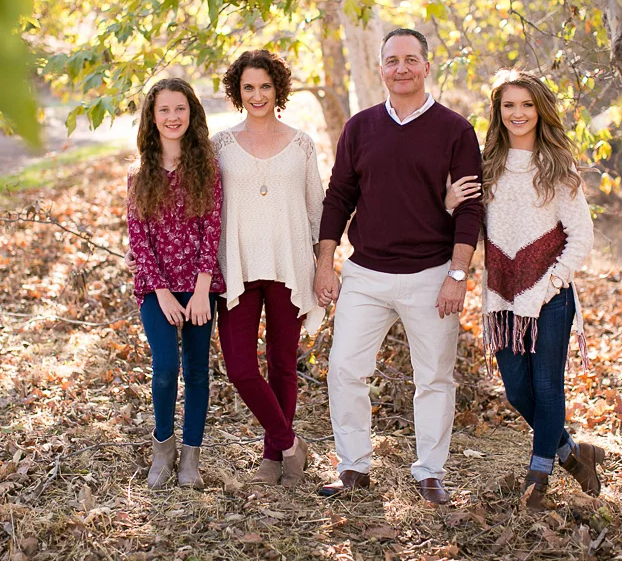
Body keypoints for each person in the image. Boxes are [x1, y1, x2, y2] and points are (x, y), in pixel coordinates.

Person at [313, 28, 485, 505]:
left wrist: (457, 273)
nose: (401, 68)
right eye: (392, 61)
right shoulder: (360, 127)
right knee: (344, 370)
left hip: (431, 274)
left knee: (433, 377)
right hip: (365, 273)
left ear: (427, 67)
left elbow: (470, 209)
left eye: (411, 60)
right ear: (381, 69)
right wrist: (326, 264)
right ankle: (353, 468)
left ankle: (430, 472)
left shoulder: (455, 130)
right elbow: (338, 198)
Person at [447, 68, 603, 511]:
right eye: (508, 105)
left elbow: (582, 238)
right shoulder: (486, 165)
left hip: (551, 297)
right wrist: (449, 203)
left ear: (540, 110)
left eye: (527, 105)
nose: (518, 113)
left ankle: (538, 479)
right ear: (497, 111)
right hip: (501, 297)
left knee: (549, 388)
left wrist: (547, 286)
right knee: (517, 391)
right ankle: (574, 453)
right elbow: (466, 226)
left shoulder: (557, 166)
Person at [211, 50, 325, 488]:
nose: (257, 95)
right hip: (236, 265)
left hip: (289, 264)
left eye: (264, 86)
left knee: (281, 364)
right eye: (248, 88)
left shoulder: (300, 143)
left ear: (278, 88)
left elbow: (316, 209)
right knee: (240, 367)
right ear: (238, 93)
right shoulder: (221, 144)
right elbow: (203, 205)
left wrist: (324, 265)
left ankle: (273, 456)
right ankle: (291, 443)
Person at [126, 78, 225, 490]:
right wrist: (162, 291)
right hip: (156, 287)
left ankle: (191, 459)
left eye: (180, 109)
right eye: (164, 110)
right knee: (166, 368)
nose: (172, 117)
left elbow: (211, 228)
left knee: (197, 372)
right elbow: (138, 238)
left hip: (200, 285)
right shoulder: (138, 174)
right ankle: (162, 450)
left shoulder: (207, 167)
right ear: (152, 117)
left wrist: (202, 288)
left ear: (192, 113)